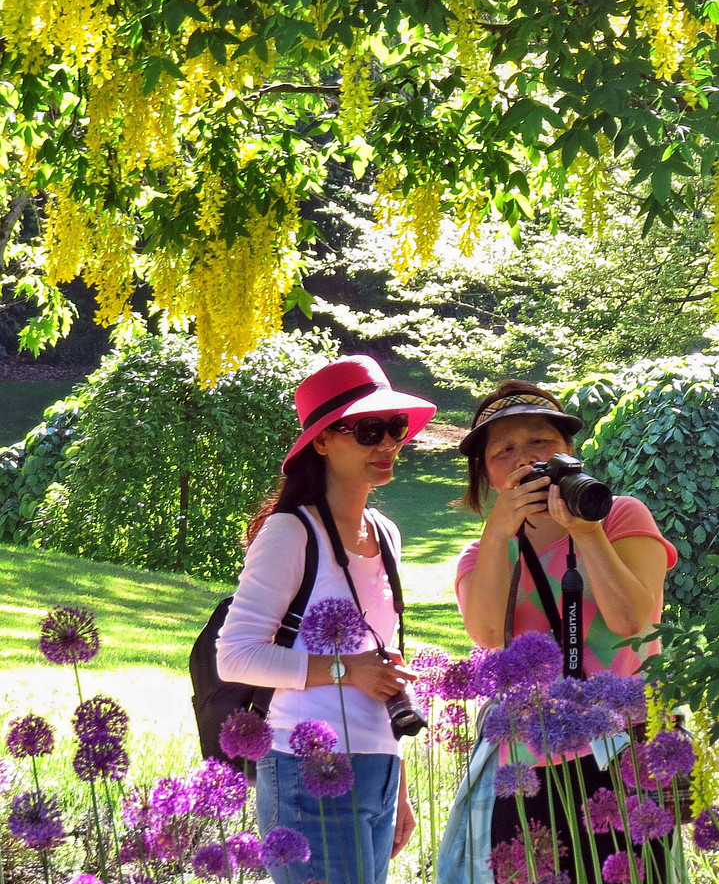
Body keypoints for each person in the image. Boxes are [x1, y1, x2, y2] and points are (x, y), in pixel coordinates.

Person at [218, 355, 436, 884]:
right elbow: (235, 655)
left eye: (395, 428)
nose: (387, 444)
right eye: (368, 430)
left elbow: (377, 666)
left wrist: (397, 787)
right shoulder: (290, 533)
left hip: (377, 766)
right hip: (306, 767)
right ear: (322, 441)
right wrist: (345, 670)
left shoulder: (386, 533)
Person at [454, 381, 678, 882]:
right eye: (503, 451)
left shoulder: (623, 516)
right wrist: (496, 534)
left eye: (539, 441)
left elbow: (631, 623)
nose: (524, 459)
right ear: (485, 474)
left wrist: (586, 530)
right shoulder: (481, 555)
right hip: (528, 762)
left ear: (568, 452)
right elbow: (489, 637)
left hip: (626, 746)